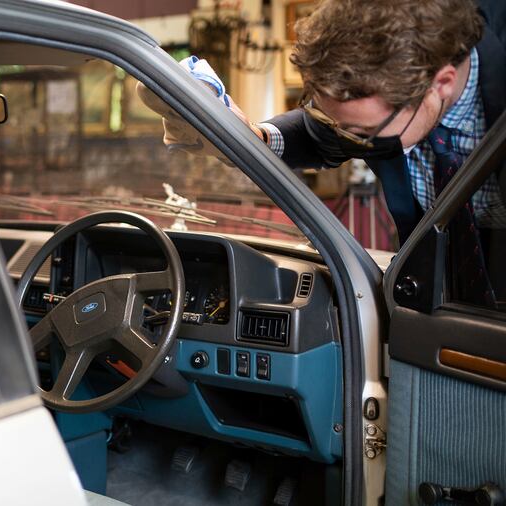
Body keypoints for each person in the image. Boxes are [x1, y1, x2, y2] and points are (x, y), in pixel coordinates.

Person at [143, 0, 506, 307]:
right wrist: (254, 137)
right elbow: (318, 135)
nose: (346, 137)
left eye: (362, 134)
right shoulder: (381, 104)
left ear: (440, 83)